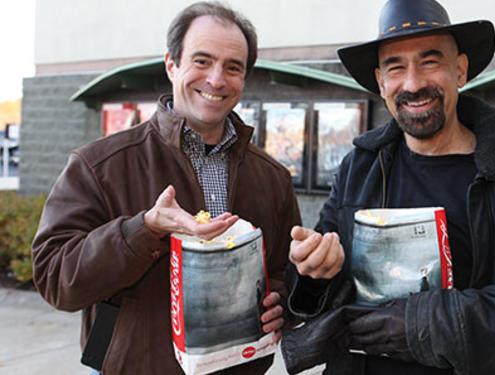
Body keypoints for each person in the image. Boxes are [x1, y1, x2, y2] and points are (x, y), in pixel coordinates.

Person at [283, 0, 495, 374]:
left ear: (460, 71)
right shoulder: (360, 167)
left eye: (430, 62)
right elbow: (328, 284)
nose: (413, 83)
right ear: (381, 83)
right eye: (396, 67)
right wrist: (315, 272)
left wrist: (423, 326)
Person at [31, 2, 301, 374]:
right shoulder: (99, 164)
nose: (217, 80)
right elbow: (55, 279)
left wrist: (281, 304)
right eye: (202, 61)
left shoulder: (273, 176)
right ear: (172, 64)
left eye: (232, 67)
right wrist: (145, 230)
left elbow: (286, 273)